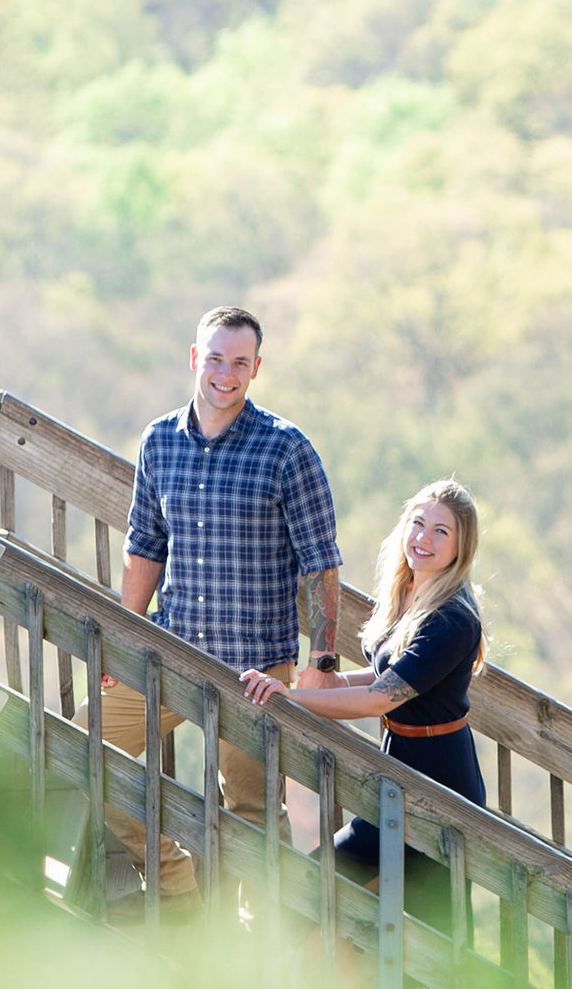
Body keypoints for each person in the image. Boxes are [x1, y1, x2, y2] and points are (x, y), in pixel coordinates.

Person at [96, 306, 346, 915]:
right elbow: (145, 547)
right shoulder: (159, 440)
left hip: (255, 672)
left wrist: (322, 659)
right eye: (215, 358)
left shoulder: (287, 449)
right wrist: (124, 638)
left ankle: (263, 947)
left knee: (255, 814)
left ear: (256, 368)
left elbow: (321, 562)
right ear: (194, 359)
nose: (225, 374)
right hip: (170, 652)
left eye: (239, 362)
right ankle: (174, 882)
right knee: (83, 743)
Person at [238, 478, 487, 929]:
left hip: (441, 790)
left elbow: (380, 699)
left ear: (460, 547)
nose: (423, 539)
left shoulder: (452, 619)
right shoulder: (409, 595)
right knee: (316, 908)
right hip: (399, 777)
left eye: (441, 532)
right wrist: (328, 685)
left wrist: (291, 697)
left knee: (443, 951)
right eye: (418, 524)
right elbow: (389, 678)